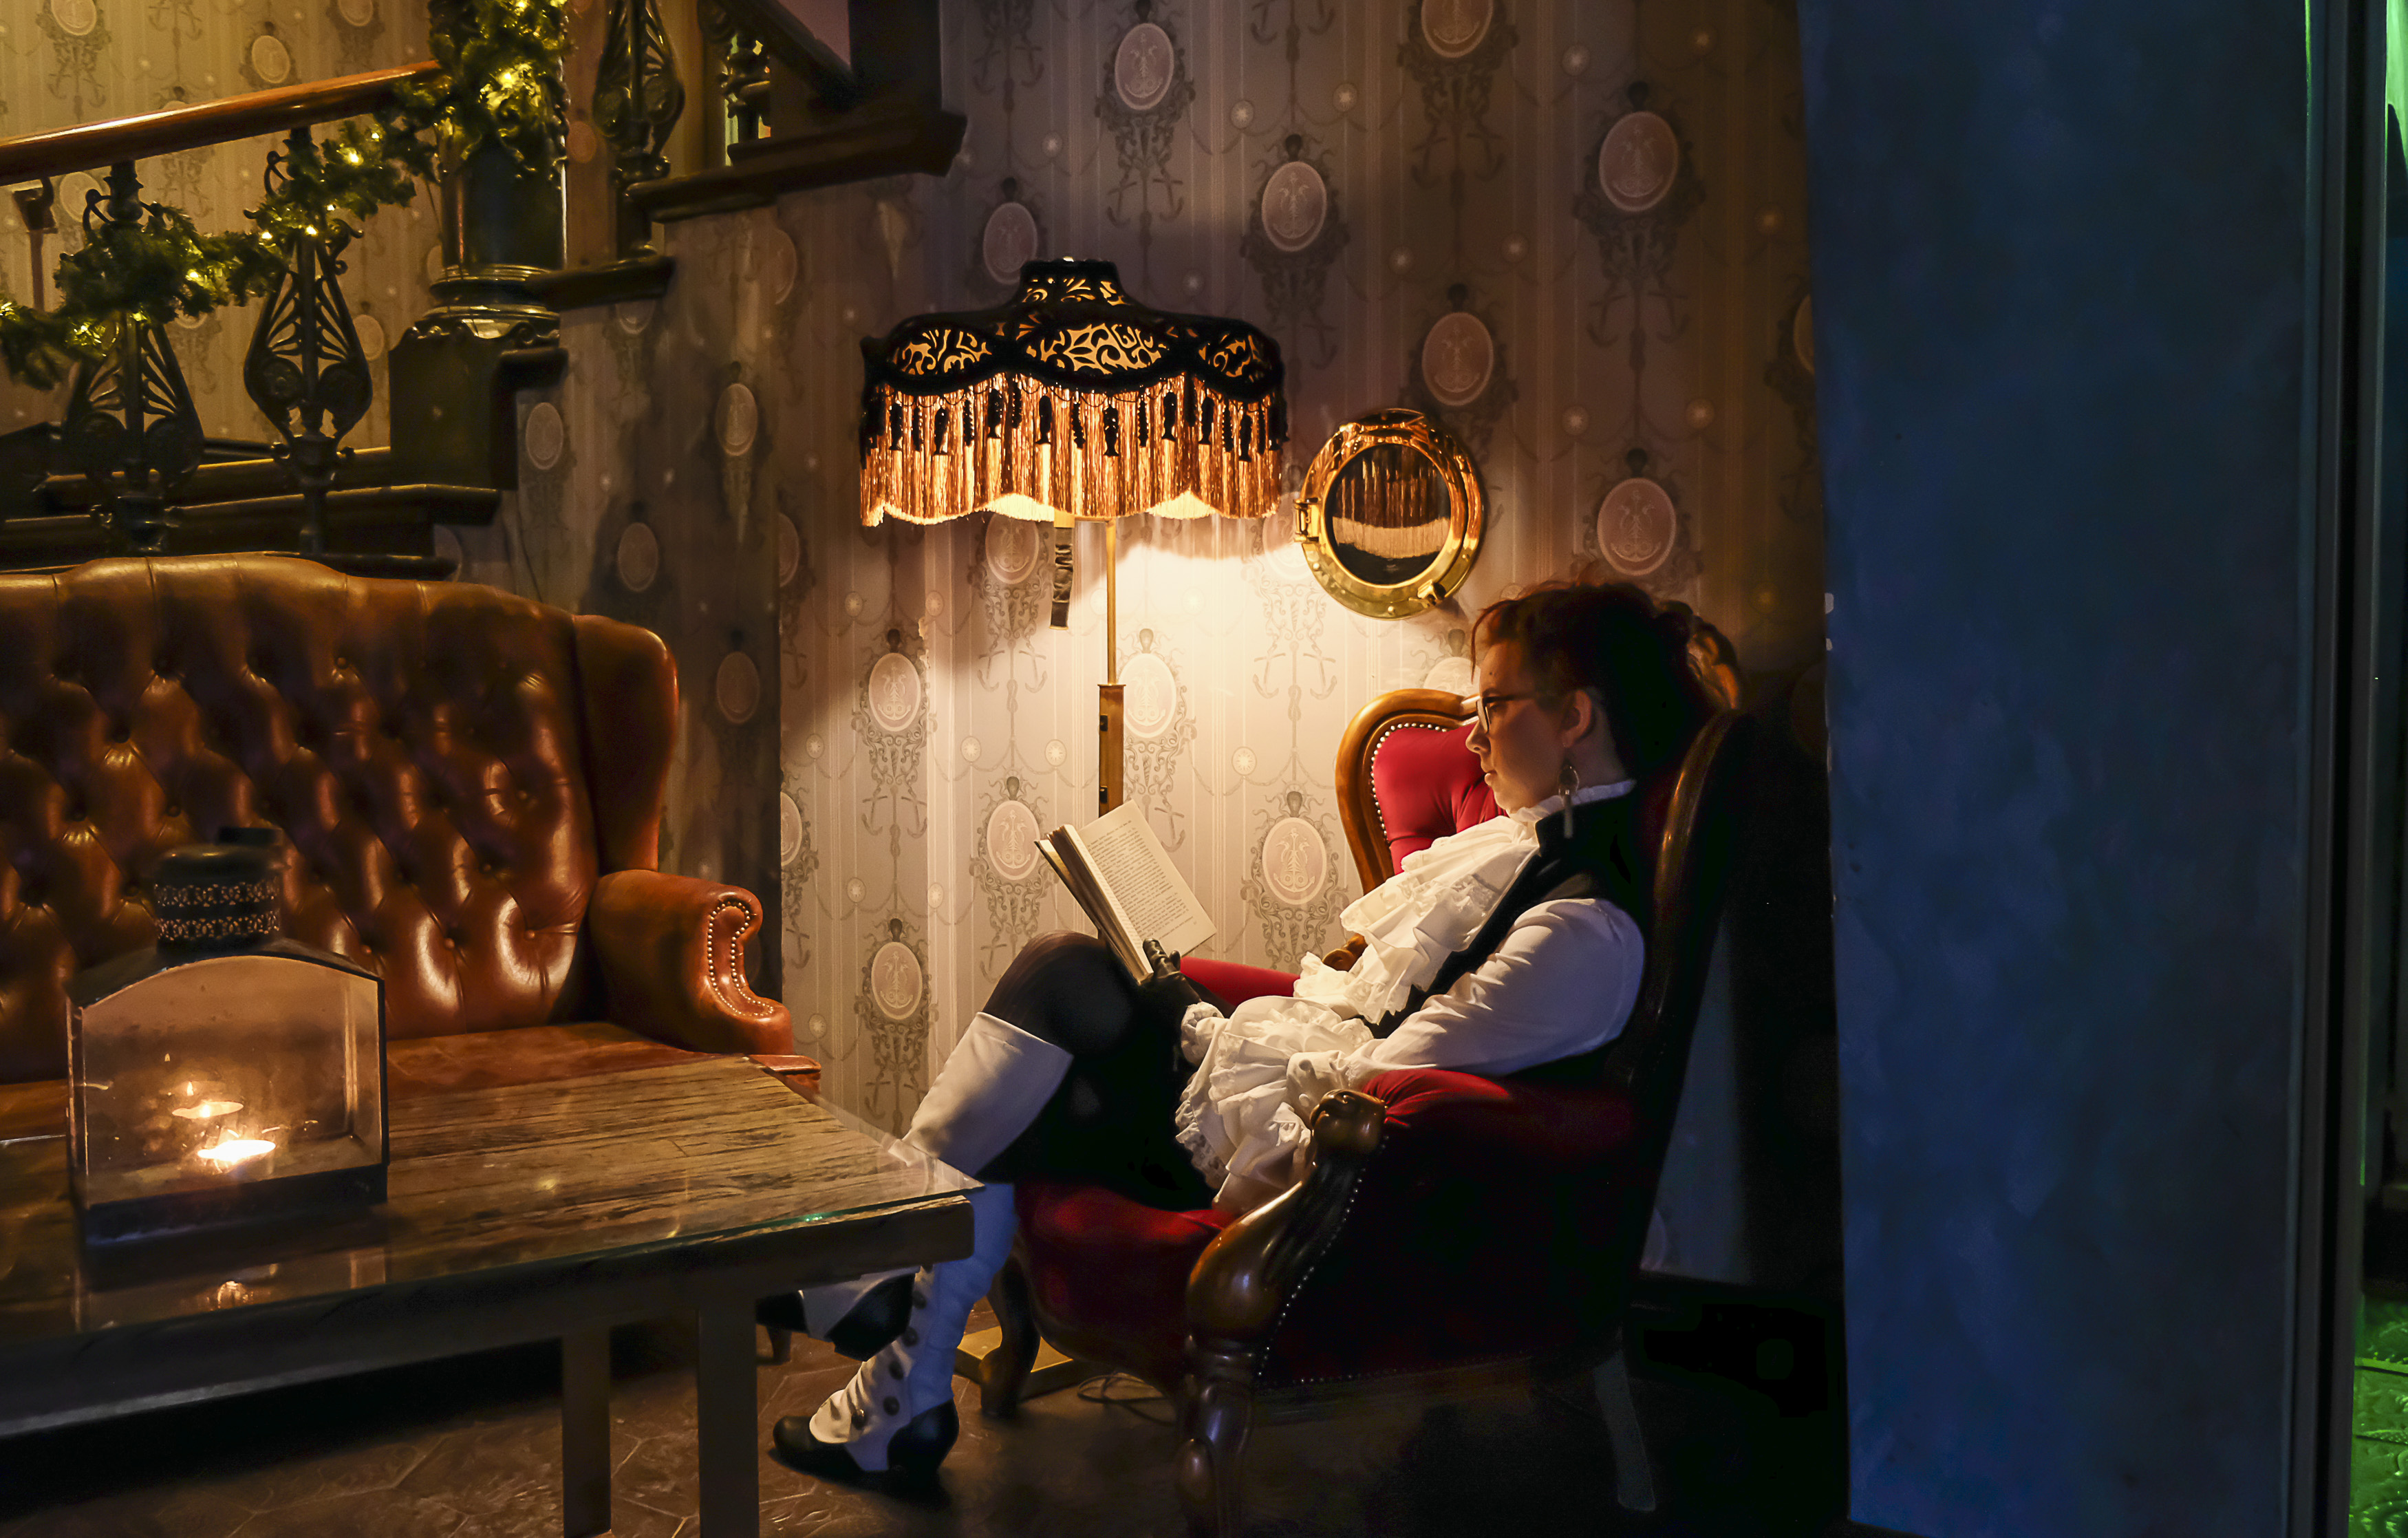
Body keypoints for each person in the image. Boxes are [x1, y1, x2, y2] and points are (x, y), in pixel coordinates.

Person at [764, 577, 1715, 1489]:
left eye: (1495, 705)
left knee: (1056, 1008)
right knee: (1061, 1009)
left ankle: (883, 1325)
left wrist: (1199, 1025)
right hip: (1320, 1122)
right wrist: (1195, 1015)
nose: (1472, 735)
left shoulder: (1583, 931)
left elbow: (1389, 1072)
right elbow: (1375, 1015)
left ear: (1576, 716)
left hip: (1342, 1183)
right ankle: (894, 1381)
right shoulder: (1529, 853)